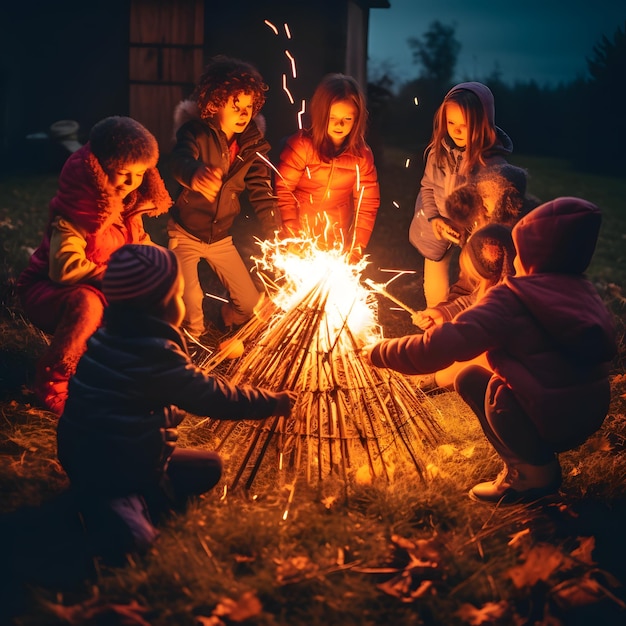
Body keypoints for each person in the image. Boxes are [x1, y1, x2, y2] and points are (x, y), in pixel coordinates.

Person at [364, 197, 616, 503]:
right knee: (476, 376)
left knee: (486, 386)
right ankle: (536, 461)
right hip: (590, 411)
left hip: (551, 415)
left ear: (529, 251)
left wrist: (380, 352)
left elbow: (444, 344)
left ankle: (532, 474)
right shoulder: (583, 291)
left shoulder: (512, 299)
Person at [57, 244, 294, 554]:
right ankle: (117, 503)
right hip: (116, 461)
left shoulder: (111, 337)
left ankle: (123, 489)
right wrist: (271, 402)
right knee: (137, 538)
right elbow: (212, 397)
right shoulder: (153, 355)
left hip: (84, 451)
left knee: (209, 466)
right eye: (179, 296)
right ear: (163, 305)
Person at [16, 116, 172, 416]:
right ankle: (52, 382)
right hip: (50, 289)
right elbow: (63, 268)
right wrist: (119, 278)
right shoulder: (78, 211)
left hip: (102, 286)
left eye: (139, 175)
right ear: (100, 169)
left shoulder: (129, 205)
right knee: (88, 305)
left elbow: (140, 242)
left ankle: (113, 377)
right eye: (123, 174)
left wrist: (163, 267)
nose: (131, 183)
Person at [168, 55, 281, 338]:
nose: (244, 114)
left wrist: (277, 233)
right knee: (190, 302)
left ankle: (225, 316)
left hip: (220, 238)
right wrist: (194, 174)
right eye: (236, 106)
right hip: (185, 233)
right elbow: (180, 160)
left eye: (249, 107)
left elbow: (262, 191)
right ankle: (191, 343)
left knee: (250, 305)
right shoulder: (195, 132)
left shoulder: (252, 144)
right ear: (216, 103)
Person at [408, 82, 513, 308]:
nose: (455, 131)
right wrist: (434, 218)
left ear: (482, 124)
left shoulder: (490, 164)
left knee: (476, 276)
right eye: (450, 122)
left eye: (463, 125)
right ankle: (436, 319)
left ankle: (467, 319)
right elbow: (427, 187)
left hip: (475, 230)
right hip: (438, 223)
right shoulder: (438, 153)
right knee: (435, 270)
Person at [412, 164, 533, 331]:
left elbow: (488, 301)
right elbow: (467, 288)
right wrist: (442, 311)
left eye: (487, 197)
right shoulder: (481, 231)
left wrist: (450, 315)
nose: (481, 204)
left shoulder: (514, 249)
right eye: (480, 196)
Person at [275, 73, 380, 263]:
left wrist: (356, 248)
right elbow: (283, 190)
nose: (339, 124)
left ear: (357, 120)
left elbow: (367, 205)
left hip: (334, 236)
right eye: (332, 117)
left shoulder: (361, 156)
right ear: (321, 114)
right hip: (297, 231)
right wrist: (292, 234)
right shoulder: (302, 146)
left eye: (347, 119)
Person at [410, 223, 515, 392]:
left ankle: (434, 382)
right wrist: (441, 313)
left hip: (525, 370)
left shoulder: (510, 303)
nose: (476, 285)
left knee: (471, 362)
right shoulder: (496, 286)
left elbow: (478, 343)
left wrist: (438, 378)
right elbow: (470, 301)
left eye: (477, 278)